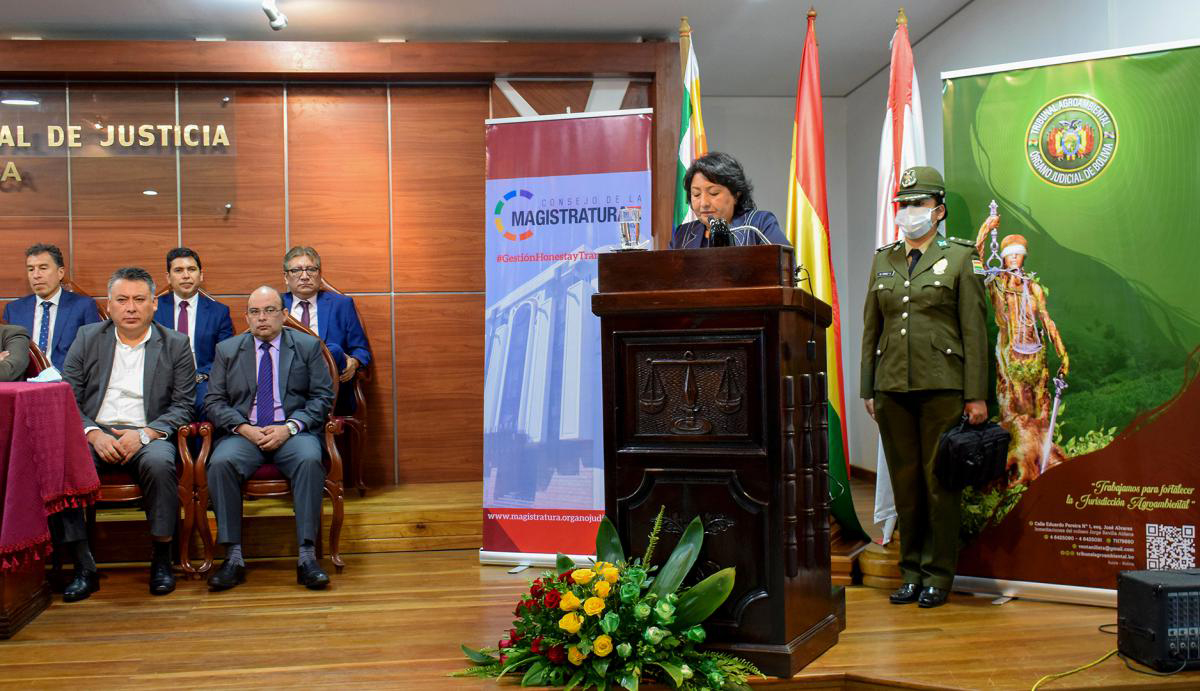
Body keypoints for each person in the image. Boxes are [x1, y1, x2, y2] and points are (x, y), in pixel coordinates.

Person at [859, 166, 988, 609]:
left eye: (918, 204)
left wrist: (976, 395)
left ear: (939, 210)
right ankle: (910, 571)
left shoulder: (959, 258)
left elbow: (974, 332)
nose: (909, 212)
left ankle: (939, 575)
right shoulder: (884, 259)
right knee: (906, 484)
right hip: (892, 386)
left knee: (939, 485)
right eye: (904, 205)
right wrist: (868, 388)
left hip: (942, 387)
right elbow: (871, 329)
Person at [58, 267, 196, 600]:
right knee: (64, 466)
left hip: (147, 434)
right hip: (96, 431)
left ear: (154, 305)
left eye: (139, 300)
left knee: (162, 465)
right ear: (109, 305)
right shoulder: (89, 337)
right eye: (122, 300)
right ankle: (82, 564)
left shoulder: (175, 344)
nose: (130, 308)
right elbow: (65, 397)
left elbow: (184, 405)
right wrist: (92, 433)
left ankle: (162, 557)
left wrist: (146, 434)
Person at [203, 286, 336, 591]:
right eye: (254, 312)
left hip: (291, 431)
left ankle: (307, 558)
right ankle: (233, 557)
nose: (262, 318)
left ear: (284, 314)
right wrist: (243, 428)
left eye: (269, 310)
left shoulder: (307, 346)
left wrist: (289, 427)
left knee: (309, 459)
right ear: (246, 316)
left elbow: (322, 397)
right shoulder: (228, 350)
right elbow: (214, 402)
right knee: (220, 463)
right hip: (245, 433)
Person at [974, 217, 1070, 485]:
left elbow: (1046, 320)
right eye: (1010, 255)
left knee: (1039, 404)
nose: (1014, 259)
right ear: (1003, 258)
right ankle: (1014, 459)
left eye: (1018, 255)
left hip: (1035, 356)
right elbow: (976, 264)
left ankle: (1043, 456)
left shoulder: (1033, 287)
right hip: (1008, 356)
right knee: (1011, 405)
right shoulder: (997, 283)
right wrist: (986, 230)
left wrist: (1062, 352)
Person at [279, 246, 371, 410]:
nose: (305, 276)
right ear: (286, 277)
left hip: (331, 383)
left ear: (320, 274)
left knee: (334, 351)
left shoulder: (341, 305)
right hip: (286, 383)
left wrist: (354, 362)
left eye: (311, 269)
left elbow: (361, 349)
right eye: (296, 271)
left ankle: (315, 411)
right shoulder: (275, 305)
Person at [154, 247, 235, 414]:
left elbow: (225, 356)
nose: (186, 275)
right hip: (162, 380)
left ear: (201, 275)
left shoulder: (219, 312)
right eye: (178, 270)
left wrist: (200, 376)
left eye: (191, 269)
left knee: (210, 406)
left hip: (202, 380)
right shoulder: (153, 309)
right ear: (168, 277)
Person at [3, 243, 100, 370]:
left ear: (60, 273)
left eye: (43, 268)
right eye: (31, 269)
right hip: (25, 382)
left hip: (65, 382)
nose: (36, 275)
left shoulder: (83, 306)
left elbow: (94, 353)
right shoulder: (14, 309)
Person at [669, 151, 789, 249]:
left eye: (713, 193)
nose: (704, 203)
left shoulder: (759, 225)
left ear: (736, 195)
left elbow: (784, 268)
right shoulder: (683, 234)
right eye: (696, 194)